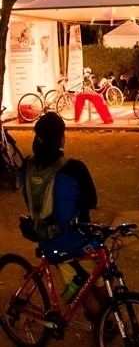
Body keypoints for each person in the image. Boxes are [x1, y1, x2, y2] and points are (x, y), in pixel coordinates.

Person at [21, 113, 106, 326]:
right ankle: (108, 322)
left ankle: (103, 318)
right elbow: (91, 201)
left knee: (79, 283)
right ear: (61, 138)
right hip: (78, 240)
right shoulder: (75, 168)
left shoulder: (27, 167)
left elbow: (28, 199)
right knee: (97, 276)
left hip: (47, 238)